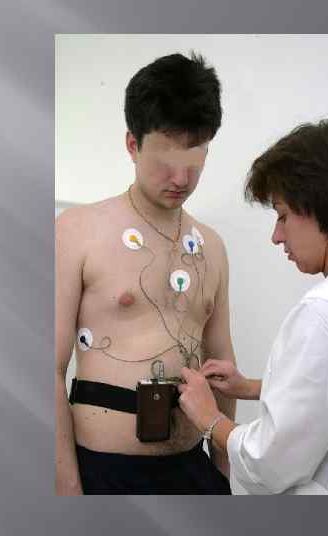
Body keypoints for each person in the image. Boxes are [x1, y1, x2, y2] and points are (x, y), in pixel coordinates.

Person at [55, 52, 236, 495]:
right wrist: (67, 489)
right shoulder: (77, 231)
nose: (180, 178)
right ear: (132, 145)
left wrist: (223, 473)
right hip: (104, 472)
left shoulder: (212, 247)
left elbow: (222, 365)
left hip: (194, 468)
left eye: (194, 160)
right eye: (165, 161)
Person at [177, 113, 328, 495]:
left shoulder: (327, 311)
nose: (276, 237)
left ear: (321, 205)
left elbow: (270, 463)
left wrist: (210, 419)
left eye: (282, 216)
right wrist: (252, 387)